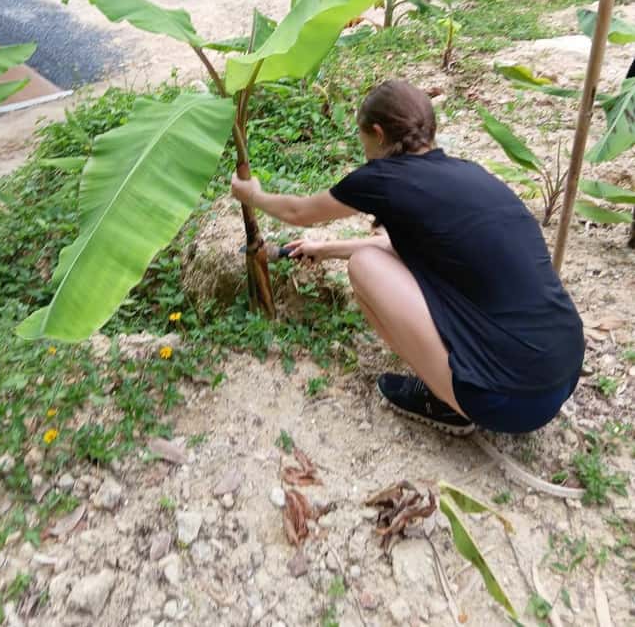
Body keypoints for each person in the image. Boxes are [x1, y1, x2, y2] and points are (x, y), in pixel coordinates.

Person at [231, 79, 585, 436]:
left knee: (363, 267)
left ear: (378, 133)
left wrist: (251, 193)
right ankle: (459, 381)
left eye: (363, 139)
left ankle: (447, 402)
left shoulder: (382, 177)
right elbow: (410, 248)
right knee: (392, 262)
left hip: (507, 402)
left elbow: (297, 212)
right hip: (561, 373)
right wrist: (323, 250)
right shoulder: (469, 174)